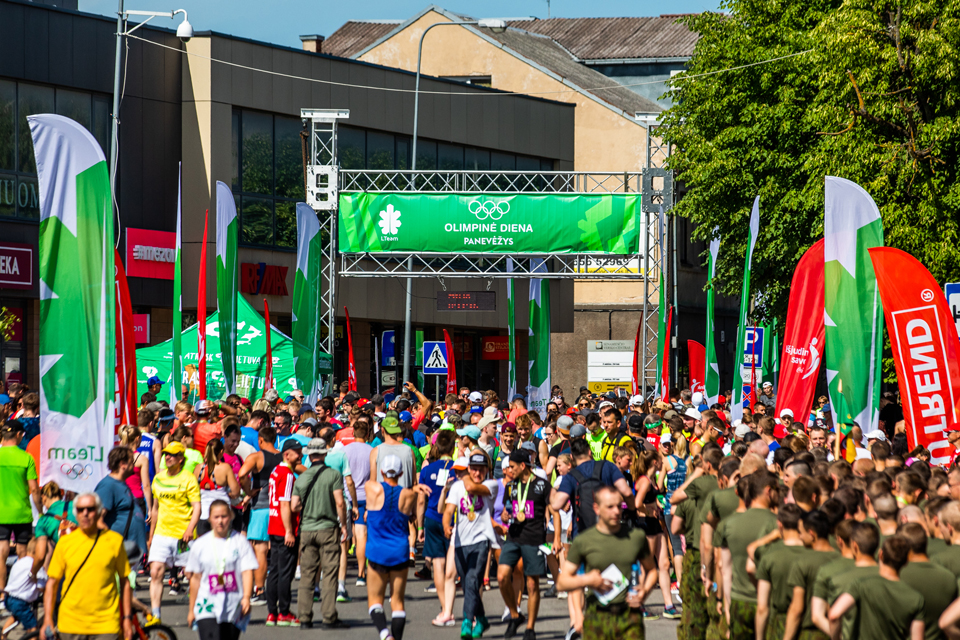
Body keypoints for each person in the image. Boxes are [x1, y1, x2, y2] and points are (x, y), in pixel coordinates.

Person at [556, 486, 659, 640]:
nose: (616, 511)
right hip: (597, 618)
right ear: (596, 508)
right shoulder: (584, 541)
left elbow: (652, 571)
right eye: (610, 507)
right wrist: (586, 581)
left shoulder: (636, 536)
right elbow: (562, 582)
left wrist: (644, 592)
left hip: (629, 618)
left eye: (619, 506)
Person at [41, 492, 133, 640]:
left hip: (106, 625)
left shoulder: (114, 541)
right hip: (70, 625)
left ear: (99, 512)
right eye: (80, 509)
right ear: (75, 514)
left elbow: (125, 581)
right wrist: (47, 619)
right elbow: (52, 583)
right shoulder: (65, 543)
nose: (85, 513)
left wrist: (127, 618)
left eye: (90, 509)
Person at [365, 455, 431, 640]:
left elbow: (371, 480)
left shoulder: (372, 489)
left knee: (375, 601)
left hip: (377, 551)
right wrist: (413, 488)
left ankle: (385, 635)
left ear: (382, 471)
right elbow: (410, 506)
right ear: (401, 473)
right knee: (397, 602)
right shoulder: (409, 495)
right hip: (399, 551)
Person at [498, 449, 557, 640]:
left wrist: (556, 538)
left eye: (512, 467)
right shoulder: (511, 486)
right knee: (502, 577)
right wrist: (504, 516)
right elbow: (506, 510)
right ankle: (515, 615)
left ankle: (530, 627)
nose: (509, 470)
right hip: (513, 537)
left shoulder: (542, 485)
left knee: (532, 584)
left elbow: (555, 510)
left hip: (534, 539)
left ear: (523, 466)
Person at [291, 437, 349, 629]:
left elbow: (294, 505)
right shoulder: (333, 475)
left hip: (307, 529)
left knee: (307, 573)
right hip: (328, 527)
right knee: (330, 572)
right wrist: (343, 524)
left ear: (309, 455)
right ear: (324, 454)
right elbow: (340, 502)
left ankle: (304, 617)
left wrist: (307, 508)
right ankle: (329, 616)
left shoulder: (302, 477)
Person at [443, 451, 500, 640]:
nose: (477, 473)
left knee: (472, 579)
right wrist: (446, 525)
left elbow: (471, 487)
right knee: (469, 584)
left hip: (481, 540)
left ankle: (468, 621)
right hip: (460, 542)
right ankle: (482, 619)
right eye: (474, 469)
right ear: (469, 468)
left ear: (487, 470)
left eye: (481, 469)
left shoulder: (491, 485)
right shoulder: (456, 487)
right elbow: (449, 510)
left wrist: (466, 475)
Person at [828, 535, 925, 640]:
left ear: (880, 554)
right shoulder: (916, 598)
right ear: (906, 561)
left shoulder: (861, 585)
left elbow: (834, 615)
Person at [186, 500, 258, 640]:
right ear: (209, 519)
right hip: (207, 605)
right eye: (216, 517)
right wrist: (191, 609)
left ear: (230, 517)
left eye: (224, 516)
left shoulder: (240, 542)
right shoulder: (200, 544)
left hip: (233, 605)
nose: (220, 521)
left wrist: (246, 597)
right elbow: (195, 579)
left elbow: (247, 571)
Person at [148, 440, 201, 620]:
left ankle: (195, 613)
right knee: (155, 572)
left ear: (181, 459)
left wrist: (190, 529)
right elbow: (155, 509)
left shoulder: (188, 478)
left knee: (190, 574)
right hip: (162, 533)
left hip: (182, 536)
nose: (167, 457)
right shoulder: (158, 479)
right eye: (165, 454)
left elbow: (197, 507)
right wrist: (151, 535)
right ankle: (156, 615)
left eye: (171, 454)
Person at [417, 430, 457, 626]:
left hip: (432, 517)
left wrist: (419, 526)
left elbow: (420, 500)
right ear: (453, 447)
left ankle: (445, 608)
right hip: (453, 519)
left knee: (438, 565)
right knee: (452, 565)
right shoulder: (459, 469)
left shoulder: (427, 469)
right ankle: (449, 607)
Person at [237, 425, 281, 602]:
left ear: (260, 440)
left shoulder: (256, 457)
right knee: (278, 550)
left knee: (260, 550)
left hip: (261, 507)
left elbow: (242, 474)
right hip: (280, 507)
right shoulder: (283, 457)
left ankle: (261, 589)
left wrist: (249, 492)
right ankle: (278, 588)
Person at [265, 438, 303, 627]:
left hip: (274, 524)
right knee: (284, 572)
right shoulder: (287, 474)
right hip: (283, 527)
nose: (301, 455)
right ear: (287, 454)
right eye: (297, 452)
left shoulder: (275, 471)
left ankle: (272, 612)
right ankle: (284, 612)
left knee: (274, 570)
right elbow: (285, 504)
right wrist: (289, 531)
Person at [0, 420, 39, 594]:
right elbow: (34, 490)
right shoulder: (26, 457)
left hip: (2, 511)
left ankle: (2, 593)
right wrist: (41, 511)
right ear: (18, 435)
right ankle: (21, 591)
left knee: (1, 551)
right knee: (23, 552)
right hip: (22, 512)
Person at [95, 447, 147, 571]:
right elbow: (97, 520)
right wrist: (113, 543)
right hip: (119, 551)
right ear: (123, 464)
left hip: (128, 551)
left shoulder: (120, 483)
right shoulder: (108, 485)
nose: (134, 465)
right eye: (132, 462)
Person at [344, 419, 373, 587]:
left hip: (346, 497)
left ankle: (340, 575)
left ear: (353, 433)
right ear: (367, 434)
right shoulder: (372, 451)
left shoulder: (345, 450)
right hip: (365, 497)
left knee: (343, 536)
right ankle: (361, 573)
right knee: (362, 536)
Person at [196, 439, 241, 536]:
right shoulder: (225, 468)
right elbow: (236, 492)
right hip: (222, 515)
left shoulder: (198, 468)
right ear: (221, 452)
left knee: (203, 544)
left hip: (202, 514)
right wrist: (229, 494)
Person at [1, 537, 41, 638]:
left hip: (8, 597)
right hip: (20, 601)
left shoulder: (18, 562)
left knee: (15, 617)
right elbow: (42, 585)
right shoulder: (35, 565)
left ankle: (3, 636)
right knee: (33, 627)